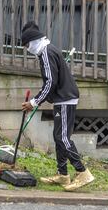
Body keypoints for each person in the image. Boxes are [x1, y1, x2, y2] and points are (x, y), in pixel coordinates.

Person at [20, 21, 94, 191]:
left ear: (32, 41)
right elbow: (51, 80)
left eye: (26, 45)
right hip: (63, 98)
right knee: (58, 136)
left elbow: (51, 82)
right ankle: (63, 175)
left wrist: (34, 102)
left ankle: (83, 172)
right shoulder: (48, 50)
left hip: (65, 99)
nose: (26, 48)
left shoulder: (46, 53)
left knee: (63, 138)